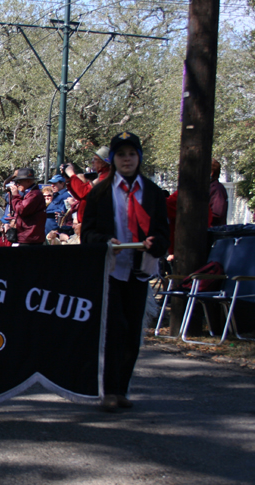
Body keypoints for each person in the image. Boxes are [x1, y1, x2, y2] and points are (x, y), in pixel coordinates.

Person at [82, 131, 169, 413]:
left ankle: (122, 388)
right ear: (113, 160)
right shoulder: (100, 192)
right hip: (111, 269)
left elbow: (163, 232)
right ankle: (107, 390)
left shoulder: (153, 192)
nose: (127, 159)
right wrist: (106, 243)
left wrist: (155, 244)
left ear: (139, 158)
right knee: (113, 329)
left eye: (132, 154)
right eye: (121, 155)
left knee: (132, 331)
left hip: (140, 270)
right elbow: (88, 234)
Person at [63, 146, 111, 223]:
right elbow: (80, 196)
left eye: (95, 159)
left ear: (103, 162)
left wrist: (71, 174)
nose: (92, 162)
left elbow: (83, 192)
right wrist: (69, 180)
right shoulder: (102, 174)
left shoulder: (106, 175)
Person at [9, 168, 46, 245]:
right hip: (26, 235)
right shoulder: (28, 193)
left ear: (28, 181)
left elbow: (21, 210)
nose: (18, 185)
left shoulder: (34, 194)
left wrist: (16, 195)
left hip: (30, 237)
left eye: (19, 182)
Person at [209, 158, 228, 227]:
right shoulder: (206, 188)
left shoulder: (217, 189)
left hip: (212, 232)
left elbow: (217, 214)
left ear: (211, 173)